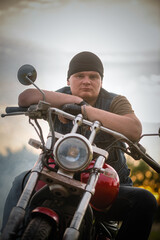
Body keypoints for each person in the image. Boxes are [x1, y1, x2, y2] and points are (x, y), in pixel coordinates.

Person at [1, 51, 157, 239]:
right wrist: (75, 101)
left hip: (105, 187)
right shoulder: (61, 96)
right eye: (79, 75)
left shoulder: (116, 101)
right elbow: (25, 97)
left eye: (93, 76)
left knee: (145, 200)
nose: (86, 81)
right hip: (57, 177)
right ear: (69, 80)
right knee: (21, 180)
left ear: (101, 81)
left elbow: (134, 129)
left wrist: (85, 111)